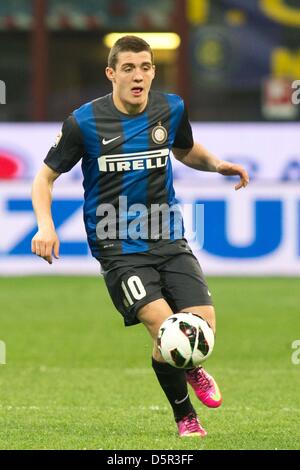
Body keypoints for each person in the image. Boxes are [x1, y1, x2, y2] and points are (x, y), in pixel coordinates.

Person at [31, 35, 249, 438]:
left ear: (153, 71)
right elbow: (45, 178)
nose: (138, 75)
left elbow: (184, 150)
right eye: (128, 68)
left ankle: (188, 364)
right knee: (164, 326)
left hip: (168, 235)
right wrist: (46, 226)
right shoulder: (85, 122)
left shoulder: (170, 107)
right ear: (111, 74)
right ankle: (186, 415)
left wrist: (217, 164)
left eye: (145, 67)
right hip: (116, 245)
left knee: (205, 323)